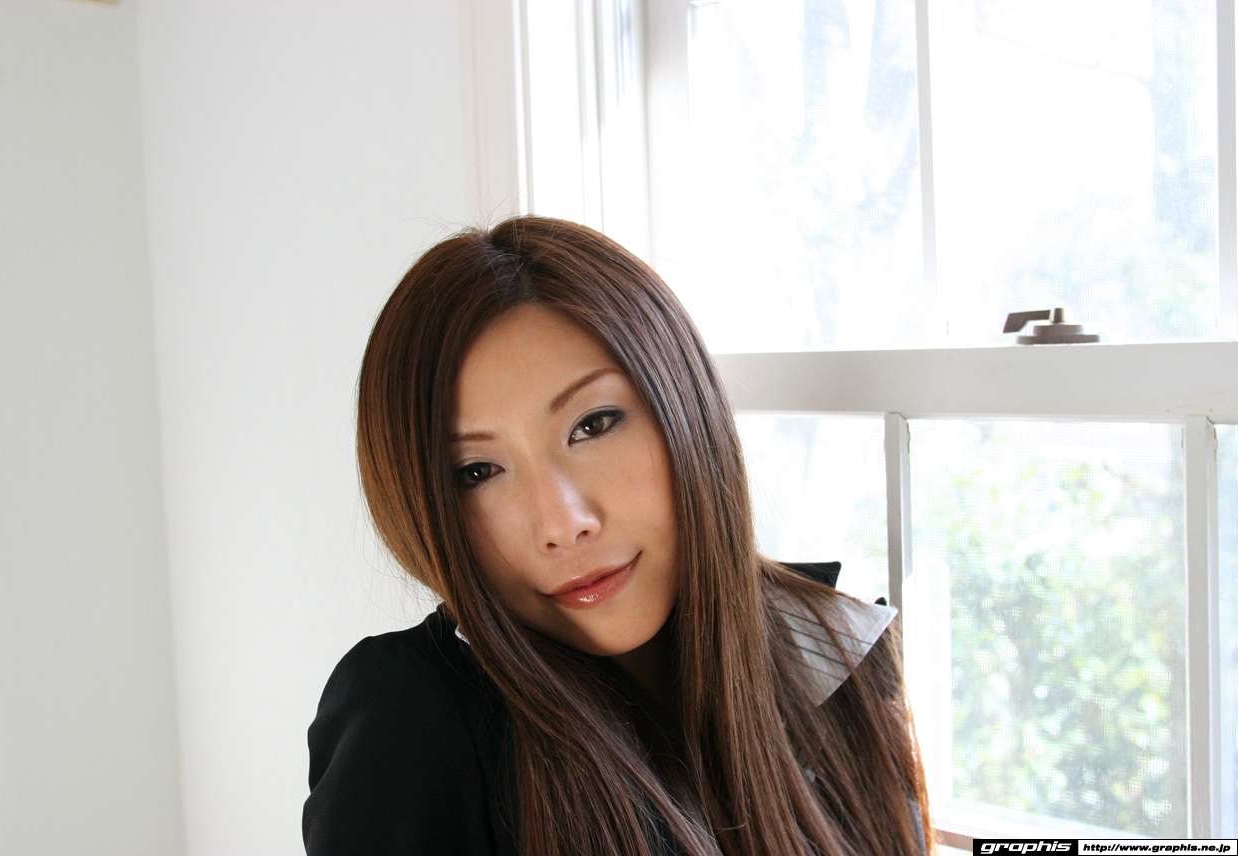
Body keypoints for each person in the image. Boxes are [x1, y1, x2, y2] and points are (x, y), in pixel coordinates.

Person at [302, 215, 933, 856]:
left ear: (683, 406)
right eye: (477, 472)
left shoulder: (829, 647)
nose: (562, 523)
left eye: (593, 425)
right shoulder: (412, 720)